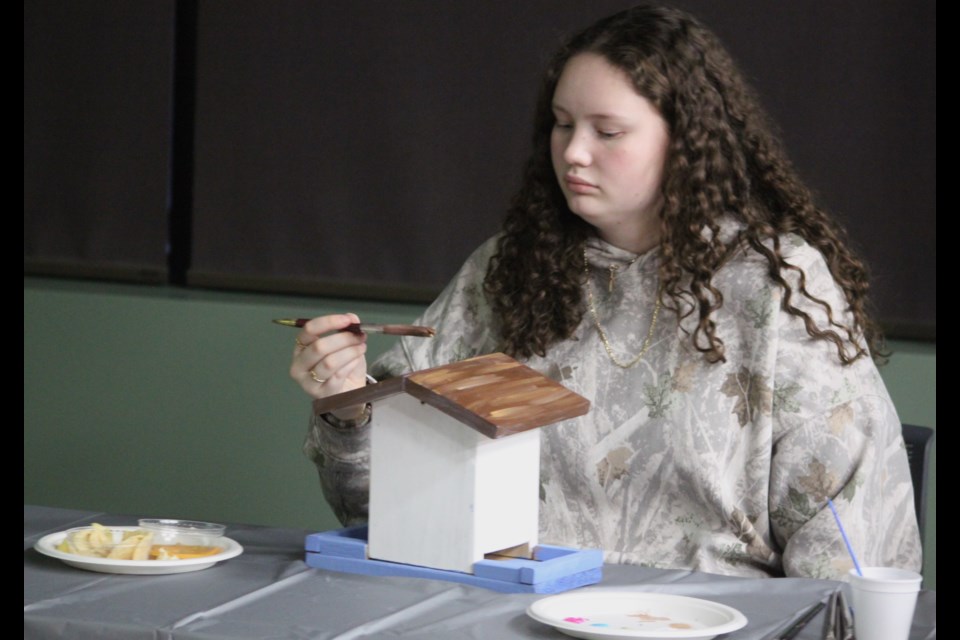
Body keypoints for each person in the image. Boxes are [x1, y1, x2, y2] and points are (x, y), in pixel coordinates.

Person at [289, 3, 922, 579]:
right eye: (563, 125)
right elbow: (390, 512)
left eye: (608, 131)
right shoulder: (507, 272)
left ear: (686, 141)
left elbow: (851, 544)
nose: (574, 153)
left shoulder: (774, 286)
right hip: (510, 615)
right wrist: (348, 410)